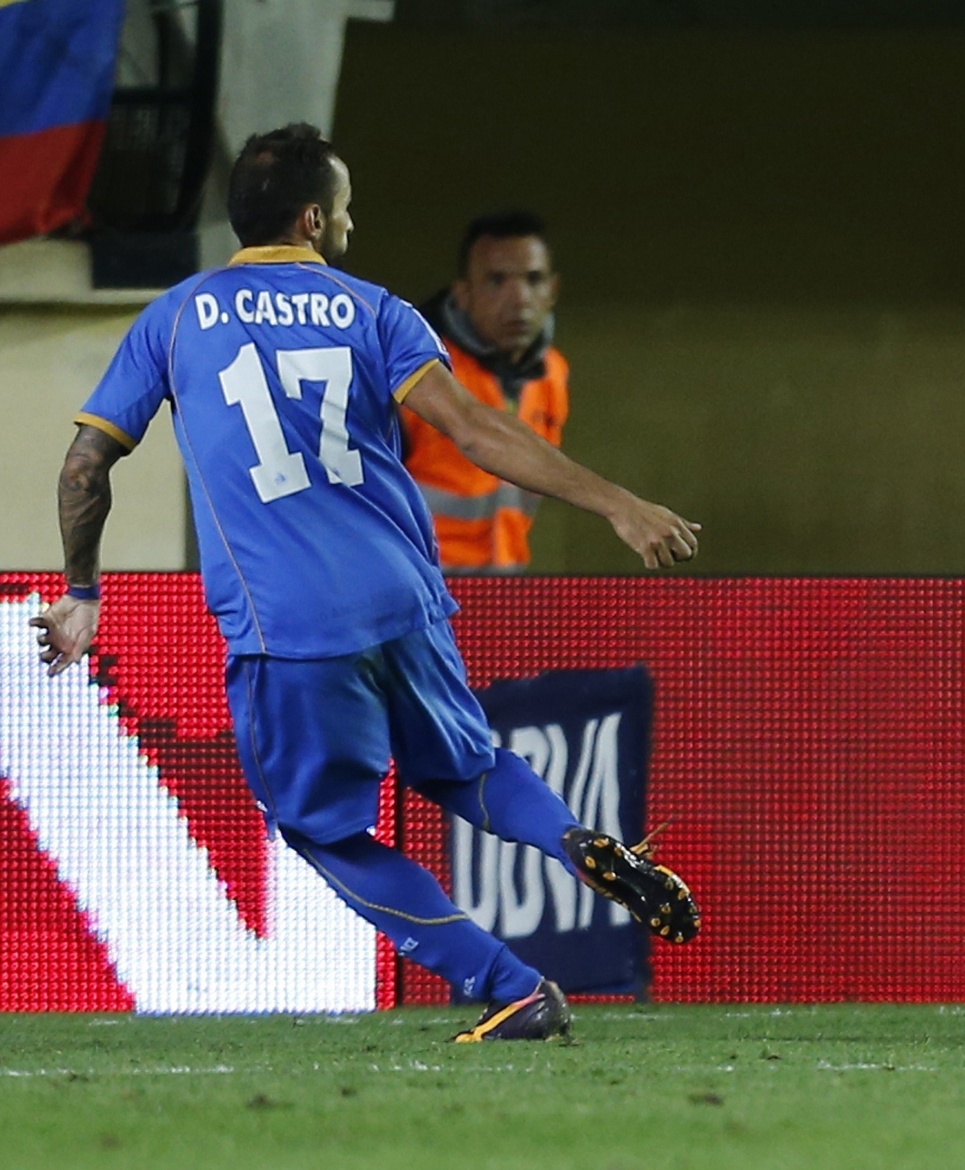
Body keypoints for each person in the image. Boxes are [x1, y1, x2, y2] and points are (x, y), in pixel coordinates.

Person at [33, 123, 703, 1042]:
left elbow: (84, 466)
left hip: (290, 627)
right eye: (345, 206)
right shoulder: (377, 312)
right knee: (471, 766)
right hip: (403, 599)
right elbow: (476, 431)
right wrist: (617, 503)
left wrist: (83, 592)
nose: (352, 220)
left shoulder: (176, 317)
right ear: (313, 218)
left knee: (324, 831)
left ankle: (506, 983)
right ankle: (571, 840)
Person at [402, 211, 567, 574]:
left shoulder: (553, 374)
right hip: (427, 586)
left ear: (553, 290)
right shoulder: (421, 372)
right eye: (497, 281)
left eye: (533, 279)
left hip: (504, 586)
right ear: (463, 294)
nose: (519, 298)